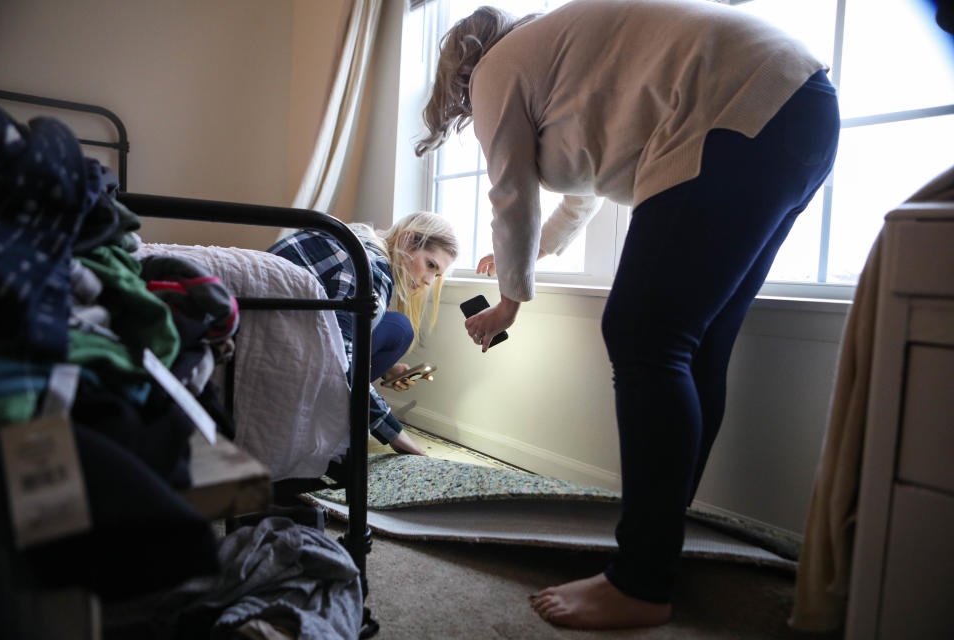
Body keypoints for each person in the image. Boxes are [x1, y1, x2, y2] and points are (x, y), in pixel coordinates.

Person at [415, 0, 839, 630]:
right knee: (695, 348)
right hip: (798, 109)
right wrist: (526, 260)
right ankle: (660, 544)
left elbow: (511, 190)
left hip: (736, 110)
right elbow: (580, 195)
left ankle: (639, 579)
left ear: (462, 71)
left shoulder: (498, 68)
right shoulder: (565, 56)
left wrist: (509, 300)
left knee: (642, 335)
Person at [268, 212, 458, 456]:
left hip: (272, 325)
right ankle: (328, 424)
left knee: (397, 326)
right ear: (407, 240)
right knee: (400, 328)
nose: (430, 281)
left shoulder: (357, 239)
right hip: (281, 353)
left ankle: (337, 417)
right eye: (431, 265)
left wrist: (388, 370)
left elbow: (333, 326)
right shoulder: (371, 269)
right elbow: (337, 359)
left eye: (437, 274)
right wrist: (396, 436)